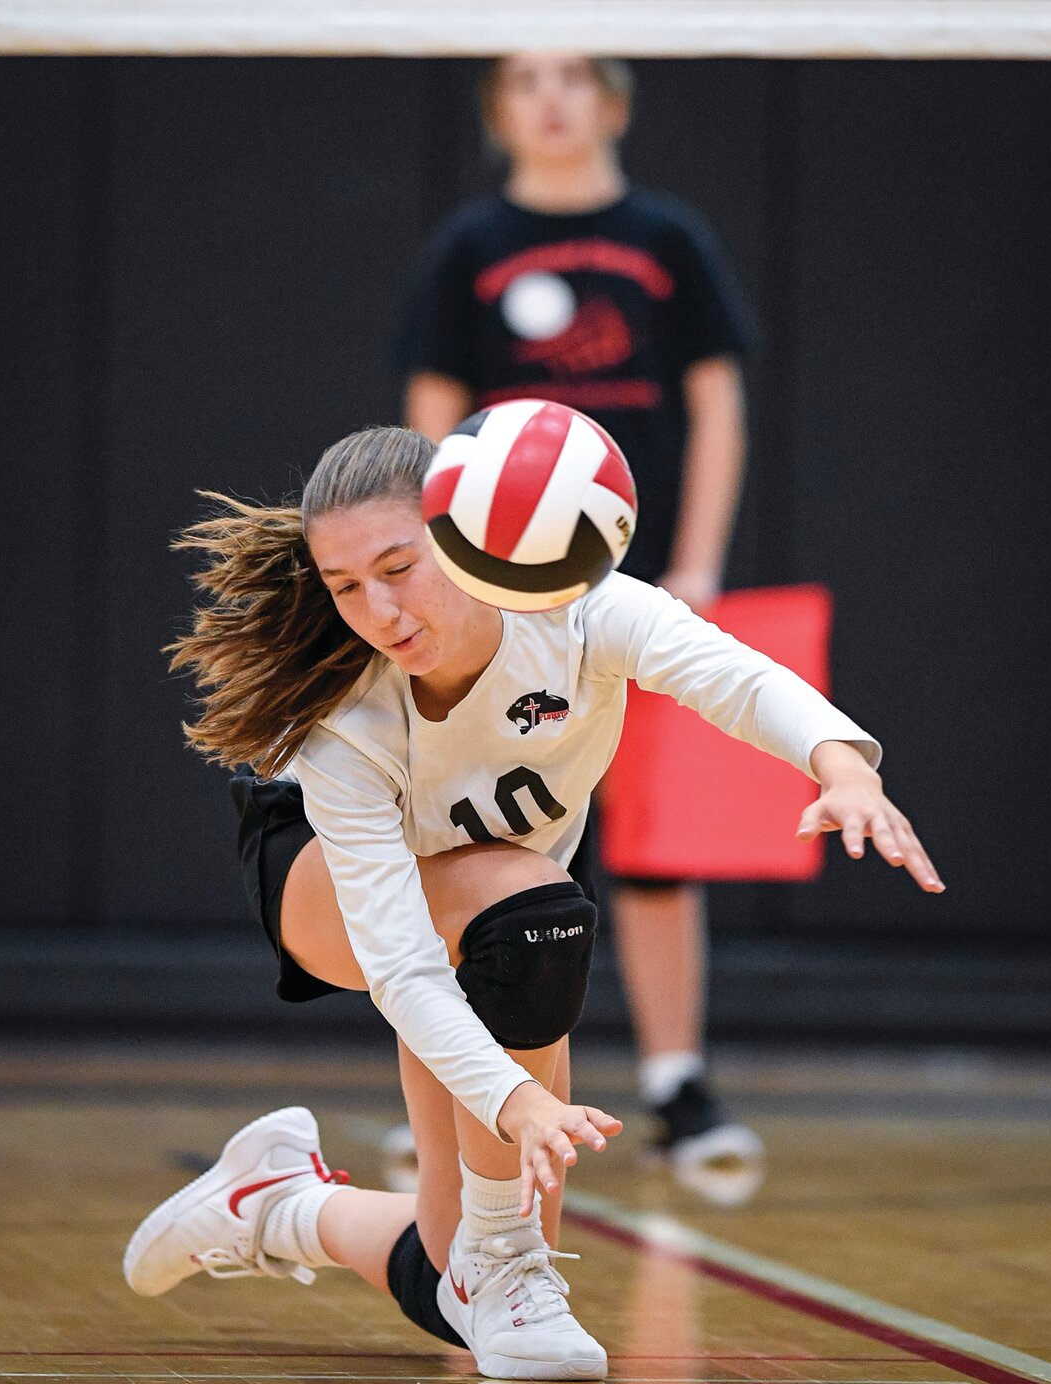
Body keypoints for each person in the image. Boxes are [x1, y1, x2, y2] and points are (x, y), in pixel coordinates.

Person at [122, 426, 942, 1382]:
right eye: (346, 586)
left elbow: (736, 678)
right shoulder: (349, 717)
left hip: (506, 927)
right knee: (530, 913)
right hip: (328, 890)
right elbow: (400, 965)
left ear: (469, 539)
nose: (378, 609)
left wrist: (842, 768)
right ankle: (508, 1257)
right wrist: (513, 1101)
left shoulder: (581, 614)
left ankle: (277, 1206)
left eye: (399, 566)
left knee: (451, 1279)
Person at [396, 53, 761, 1171]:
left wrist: (696, 563)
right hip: (505, 597)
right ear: (499, 109)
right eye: (525, 80)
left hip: (639, 586)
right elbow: (429, 421)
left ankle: (677, 1081)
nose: (551, 98)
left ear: (613, 101)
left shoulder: (667, 240)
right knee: (501, 844)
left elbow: (716, 403)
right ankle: (473, 1089)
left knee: (655, 848)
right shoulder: (468, 246)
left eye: (573, 77)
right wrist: (441, 574)